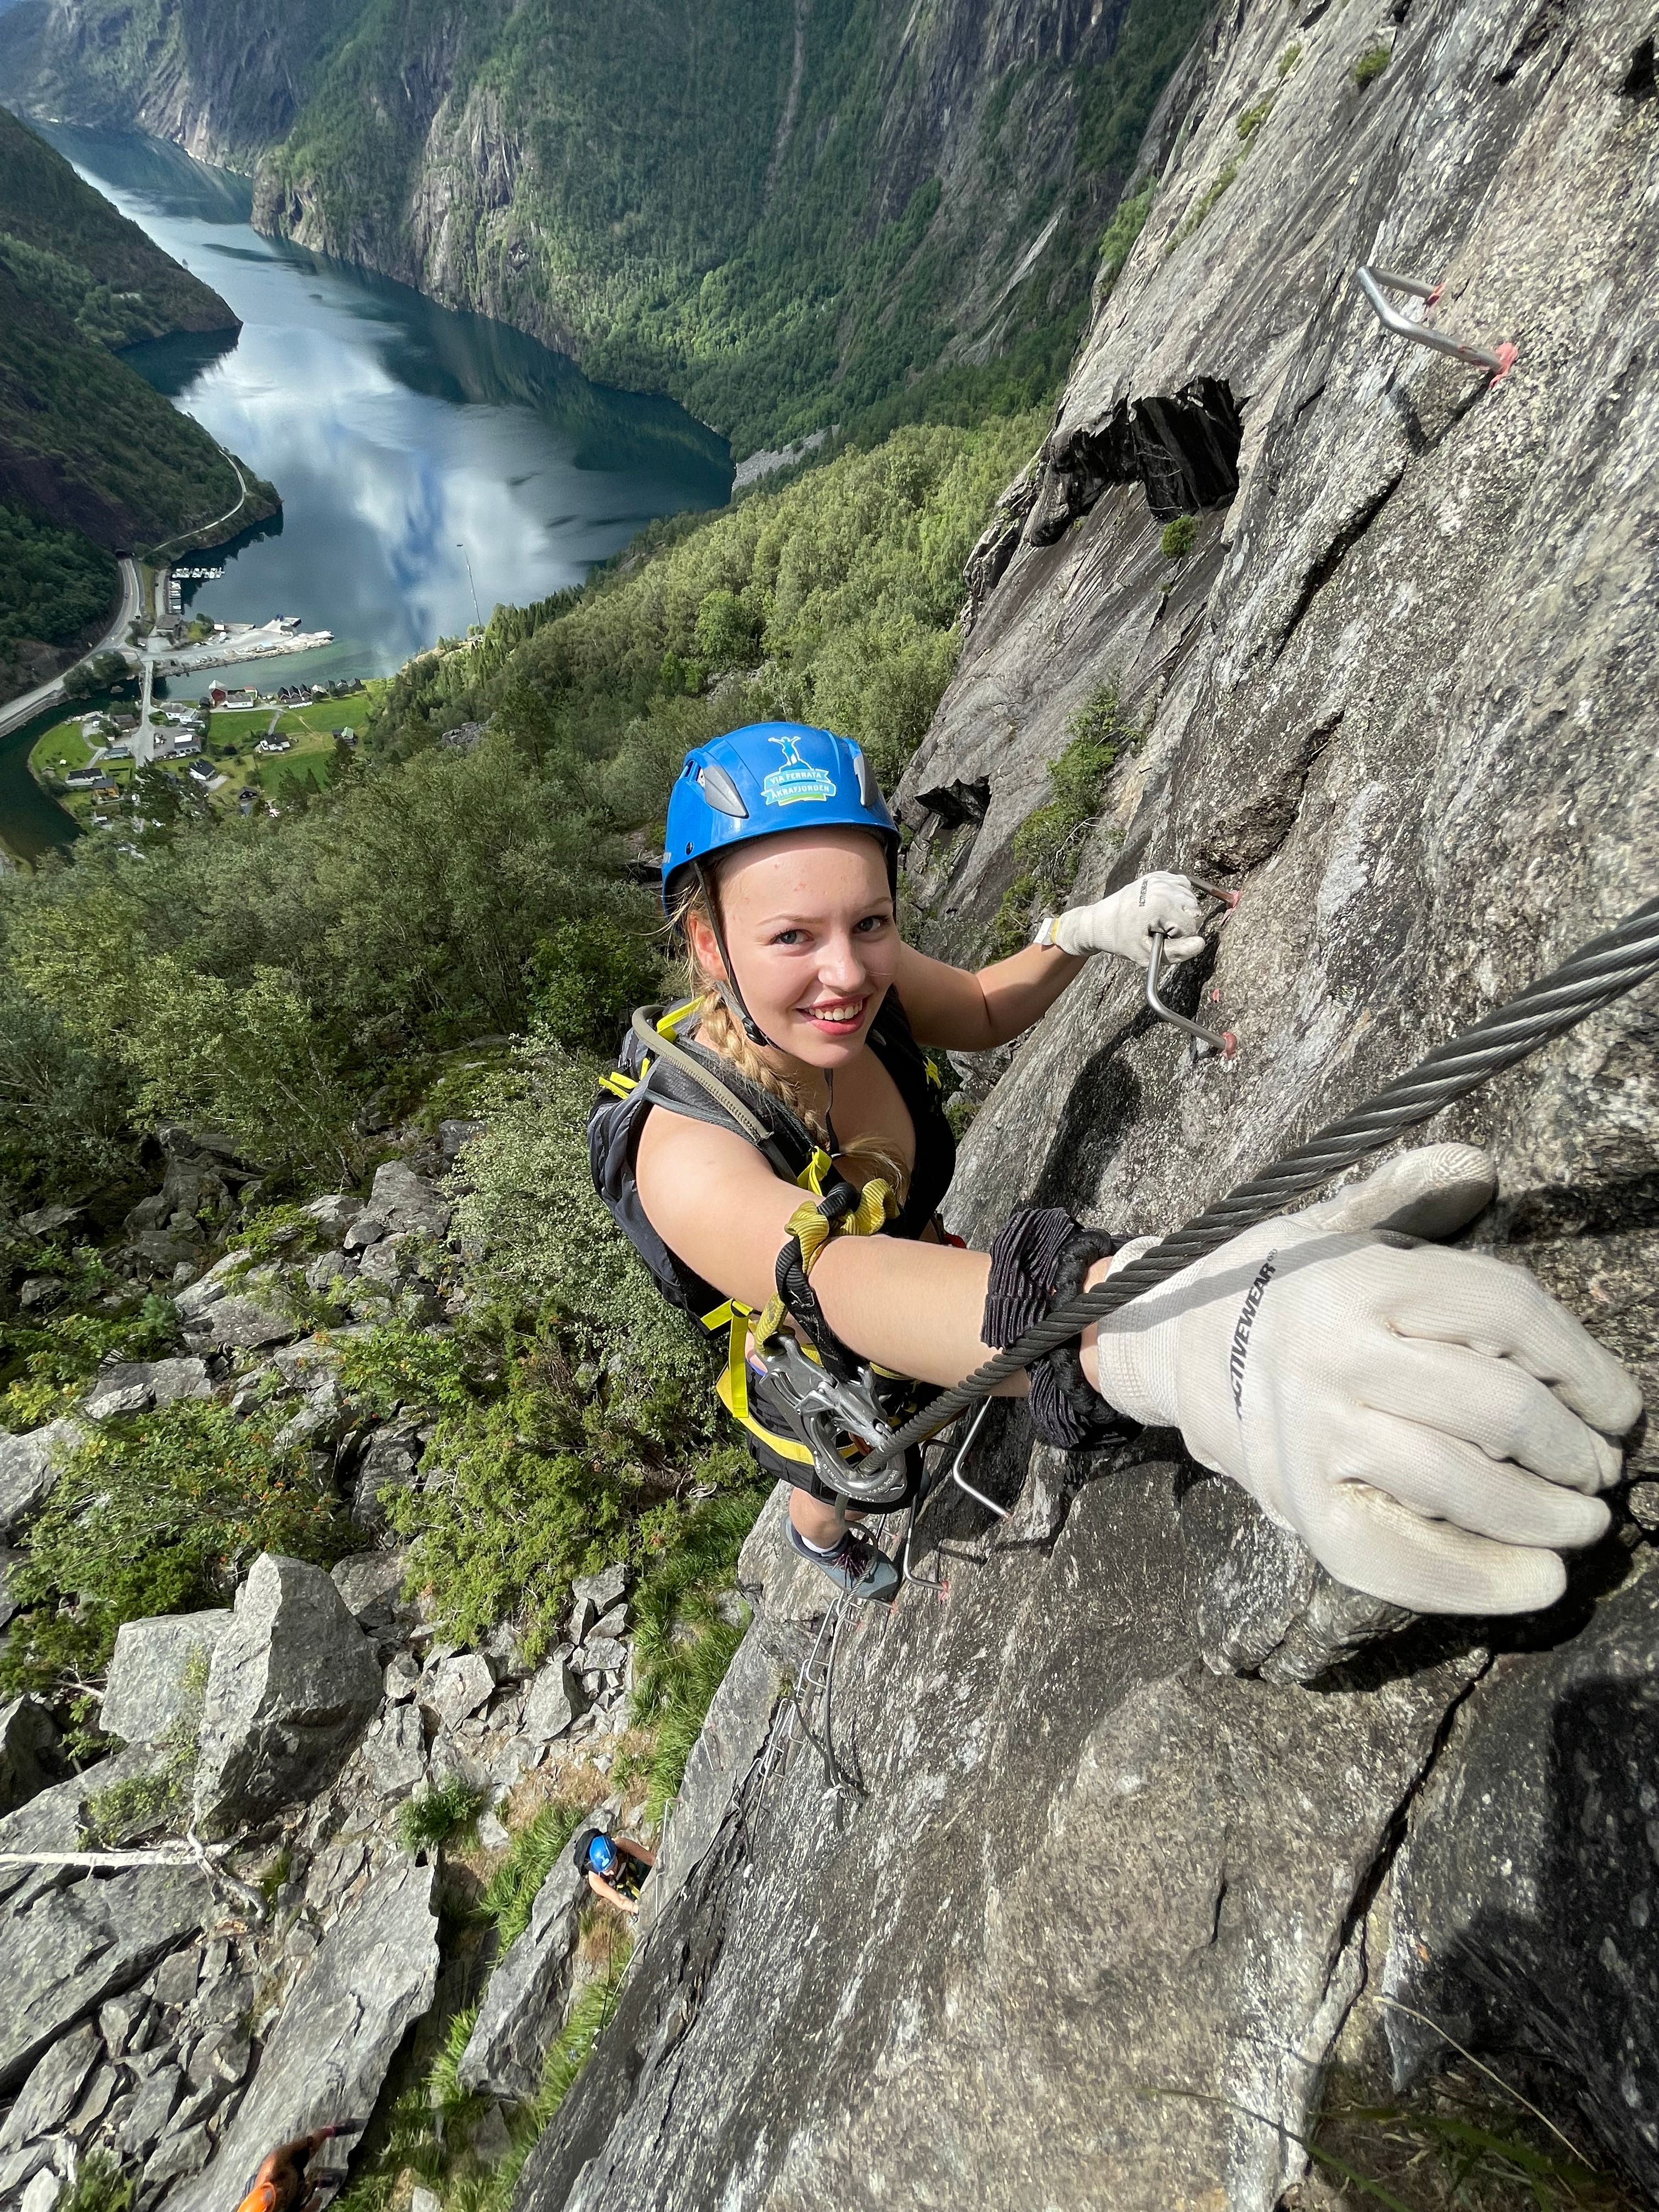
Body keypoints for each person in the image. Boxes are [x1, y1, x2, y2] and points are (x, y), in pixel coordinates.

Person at [591, 721, 1640, 1611]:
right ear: (709, 940)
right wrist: (1164, 1328)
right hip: (810, 1341)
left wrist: (1082, 932)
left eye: (869, 921)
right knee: (846, 1470)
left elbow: (988, 1009)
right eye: (790, 936)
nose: (845, 971)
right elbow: (838, 1281)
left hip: (918, 1262)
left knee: (936, 1383)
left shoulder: (861, 971)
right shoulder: (684, 1151)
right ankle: (819, 1542)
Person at [576, 1826, 656, 1915]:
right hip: (616, 1884)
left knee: (644, 1870)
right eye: (608, 1871)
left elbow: (651, 1859)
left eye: (613, 1865)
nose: (613, 1872)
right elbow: (620, 1900)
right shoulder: (595, 1881)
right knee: (630, 1897)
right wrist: (641, 1911)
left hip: (628, 1865)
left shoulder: (620, 1845)